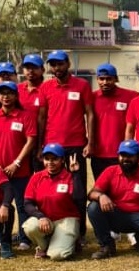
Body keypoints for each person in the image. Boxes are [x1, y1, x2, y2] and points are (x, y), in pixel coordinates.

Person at [0, 81, 38, 251]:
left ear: (16, 96)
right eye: (2, 94)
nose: (6, 97)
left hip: (20, 171)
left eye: (10, 93)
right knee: (0, 205)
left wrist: (16, 163)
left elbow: (31, 140)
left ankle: (24, 239)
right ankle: (2, 238)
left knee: (22, 205)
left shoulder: (25, 116)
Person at [87, 140, 139, 259]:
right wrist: (101, 196)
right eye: (123, 155)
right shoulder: (110, 171)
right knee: (93, 208)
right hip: (116, 214)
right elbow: (91, 193)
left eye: (130, 155)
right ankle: (107, 246)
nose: (125, 159)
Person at [38, 50, 94, 210]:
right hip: (51, 147)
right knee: (53, 189)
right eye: (53, 65)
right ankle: (54, 221)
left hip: (75, 145)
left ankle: (79, 224)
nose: (57, 68)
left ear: (68, 64)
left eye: (60, 64)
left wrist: (90, 143)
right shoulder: (45, 87)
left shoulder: (82, 85)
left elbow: (90, 114)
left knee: (78, 190)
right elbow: (42, 117)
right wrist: (40, 146)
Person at [22, 143, 84, 261]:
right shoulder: (37, 177)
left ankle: (71, 242)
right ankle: (44, 247)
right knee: (30, 226)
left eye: (54, 159)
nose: (50, 162)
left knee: (57, 255)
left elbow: (79, 198)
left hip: (66, 220)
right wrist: (40, 217)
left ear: (62, 160)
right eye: (47, 159)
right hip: (46, 220)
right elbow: (27, 203)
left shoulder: (69, 176)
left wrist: (76, 174)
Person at [90, 63, 138, 179]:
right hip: (98, 155)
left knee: (122, 187)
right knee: (101, 187)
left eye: (109, 79)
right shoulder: (92, 97)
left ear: (116, 79)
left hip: (122, 154)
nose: (105, 82)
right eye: (101, 79)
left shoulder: (130, 96)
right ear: (97, 79)